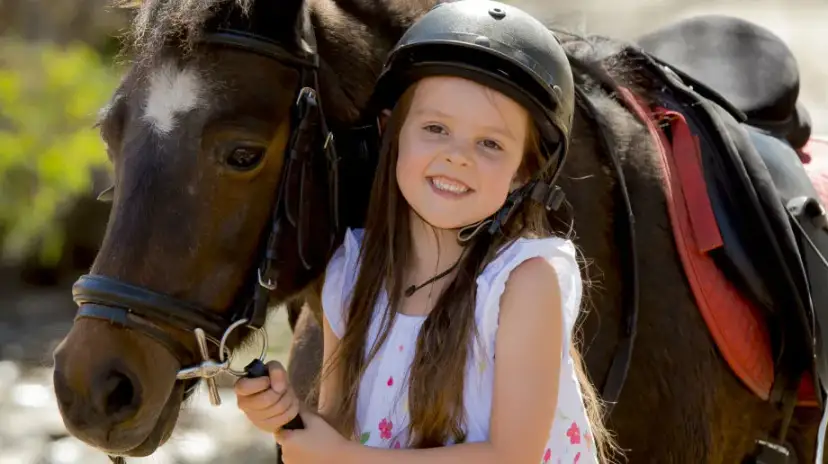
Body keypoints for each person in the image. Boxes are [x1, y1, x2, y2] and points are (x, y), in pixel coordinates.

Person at [234, 1, 616, 462]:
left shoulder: (521, 283)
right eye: (436, 128)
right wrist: (285, 417)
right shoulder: (353, 274)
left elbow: (512, 456)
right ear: (390, 133)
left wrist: (342, 456)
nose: (458, 156)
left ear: (523, 172)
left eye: (490, 143)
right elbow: (337, 429)